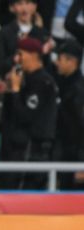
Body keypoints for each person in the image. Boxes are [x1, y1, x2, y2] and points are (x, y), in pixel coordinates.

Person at [0, 37, 57, 189]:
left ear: (33, 55)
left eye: (20, 54)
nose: (16, 59)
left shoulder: (42, 82)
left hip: (31, 149)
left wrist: (16, 89)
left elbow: (26, 116)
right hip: (19, 147)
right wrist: (11, 89)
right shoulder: (27, 79)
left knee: (24, 197)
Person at [53, 41, 84, 190]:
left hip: (74, 157)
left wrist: (82, 162)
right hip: (65, 153)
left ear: (72, 61)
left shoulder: (78, 90)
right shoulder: (64, 83)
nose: (56, 63)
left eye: (60, 59)